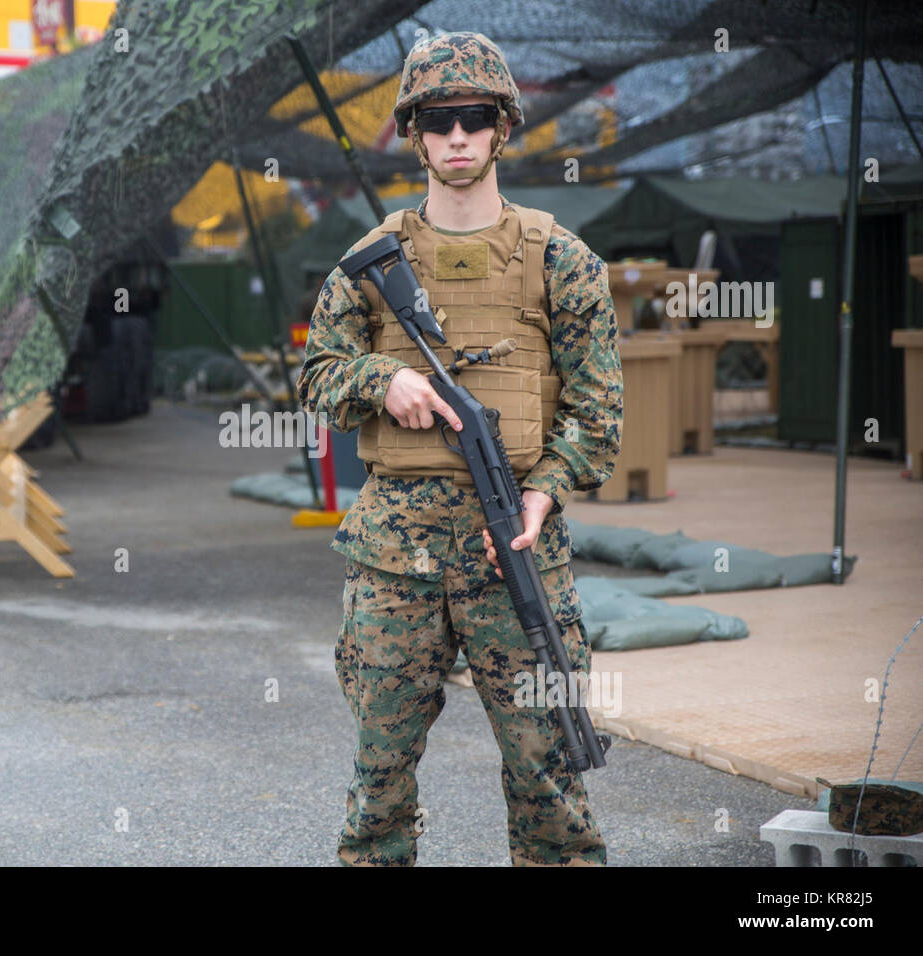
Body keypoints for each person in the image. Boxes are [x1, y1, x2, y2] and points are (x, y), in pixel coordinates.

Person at [297, 31, 623, 867]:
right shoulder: (369, 265)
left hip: (514, 543)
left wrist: (546, 490)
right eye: (438, 120)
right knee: (379, 785)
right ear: (413, 132)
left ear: (503, 128)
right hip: (394, 558)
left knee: (550, 784)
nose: (457, 137)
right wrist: (380, 379)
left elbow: (597, 412)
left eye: (476, 117)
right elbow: (317, 378)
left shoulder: (563, 263)